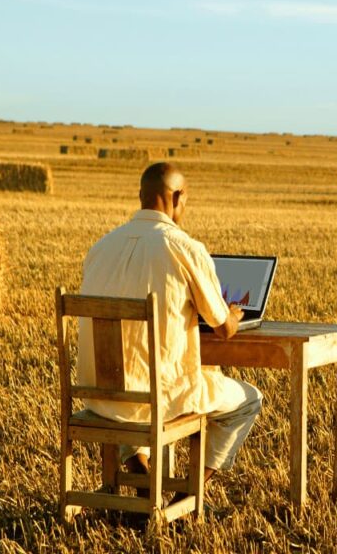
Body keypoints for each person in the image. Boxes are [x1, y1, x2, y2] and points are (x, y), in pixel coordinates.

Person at [77, 161, 262, 496]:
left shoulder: (100, 248)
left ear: (141, 196)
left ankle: (144, 478)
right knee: (249, 400)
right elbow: (223, 329)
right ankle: (189, 493)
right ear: (179, 197)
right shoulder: (185, 248)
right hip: (158, 400)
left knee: (131, 399)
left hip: (97, 396)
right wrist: (234, 314)